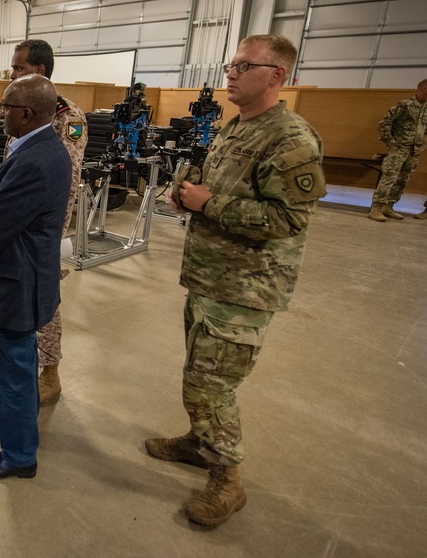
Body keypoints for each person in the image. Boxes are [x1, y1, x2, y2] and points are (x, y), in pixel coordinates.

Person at [148, 34, 326, 527]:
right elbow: (214, 188)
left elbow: (290, 220)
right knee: (200, 373)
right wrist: (187, 196)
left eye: (245, 65)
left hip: (246, 288)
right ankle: (199, 442)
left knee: (209, 386)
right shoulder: (235, 128)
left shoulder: (290, 138)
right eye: (232, 64)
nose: (231, 72)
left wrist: (210, 204)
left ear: (276, 76)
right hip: (211, 279)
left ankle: (227, 481)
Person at [0, 74, 72, 479]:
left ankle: (19, 456)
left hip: (14, 284)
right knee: (15, 367)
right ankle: (13, 422)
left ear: (24, 114)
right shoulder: (45, 147)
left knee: (12, 369)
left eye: (5, 107)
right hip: (28, 276)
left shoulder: (35, 161)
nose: (0, 113)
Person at [7, 39, 87, 404]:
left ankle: (50, 372)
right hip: (16, 222)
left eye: (18, 68)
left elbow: (65, 183)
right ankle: (22, 364)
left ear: (39, 71)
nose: (11, 74)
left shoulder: (68, 118)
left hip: (42, 230)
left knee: (45, 301)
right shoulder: (21, 109)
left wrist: (48, 236)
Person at [368, 78, 427, 222]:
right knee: (389, 177)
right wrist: (391, 142)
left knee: (402, 180)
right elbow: (385, 123)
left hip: (414, 151)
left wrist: (423, 143)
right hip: (399, 148)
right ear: (423, 89)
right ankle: (376, 208)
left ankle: (389, 206)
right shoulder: (405, 105)